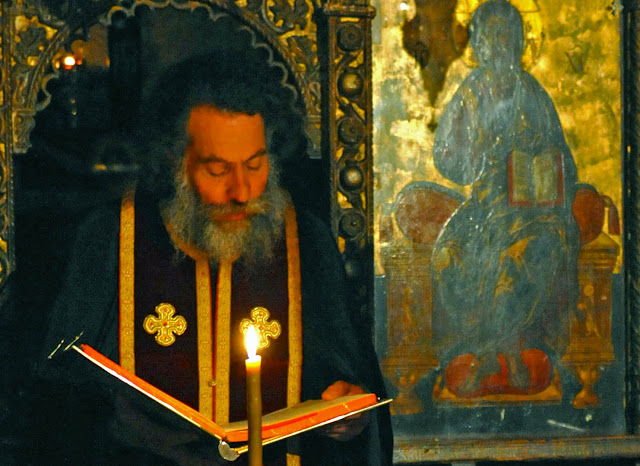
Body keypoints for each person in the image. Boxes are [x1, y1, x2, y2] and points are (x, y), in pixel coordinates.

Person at [34, 52, 392, 465]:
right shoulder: (111, 239)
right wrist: (117, 425)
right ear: (174, 162)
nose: (242, 191)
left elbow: (349, 387)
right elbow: (59, 403)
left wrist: (349, 415)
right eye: (218, 170)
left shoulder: (306, 241)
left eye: (254, 165)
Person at [431, 0, 580, 396]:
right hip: (484, 207)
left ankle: (500, 351)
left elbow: (564, 158)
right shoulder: (469, 93)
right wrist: (473, 157)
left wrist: (542, 168)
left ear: (519, 41)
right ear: (478, 43)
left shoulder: (532, 93)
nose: (500, 44)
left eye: (507, 35)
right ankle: (496, 350)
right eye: (491, 35)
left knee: (526, 252)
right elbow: (445, 155)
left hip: (534, 209)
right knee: (451, 254)